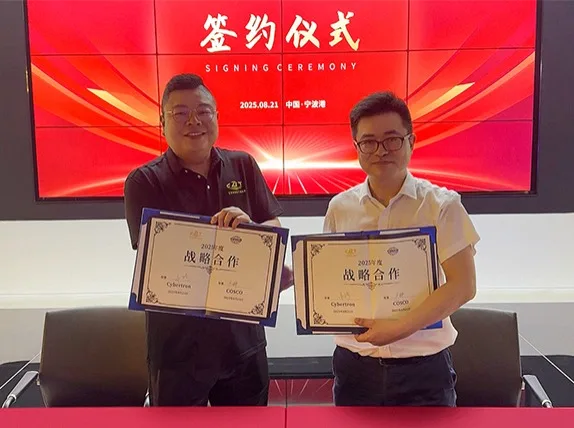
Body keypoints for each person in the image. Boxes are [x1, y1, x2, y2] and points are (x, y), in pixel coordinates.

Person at [124, 73, 286, 407]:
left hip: (242, 340)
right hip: (177, 351)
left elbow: (272, 226)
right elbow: (154, 257)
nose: (193, 121)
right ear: (162, 123)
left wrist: (252, 230)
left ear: (216, 116)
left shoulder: (243, 165)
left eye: (203, 111)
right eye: (180, 113)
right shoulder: (144, 181)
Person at [323, 91, 480, 407]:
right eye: (369, 142)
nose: (381, 150)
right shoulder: (340, 208)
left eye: (392, 139)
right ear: (356, 148)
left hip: (423, 369)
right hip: (356, 368)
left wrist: (398, 329)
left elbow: (464, 285)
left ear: (411, 141)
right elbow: (332, 277)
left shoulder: (441, 206)